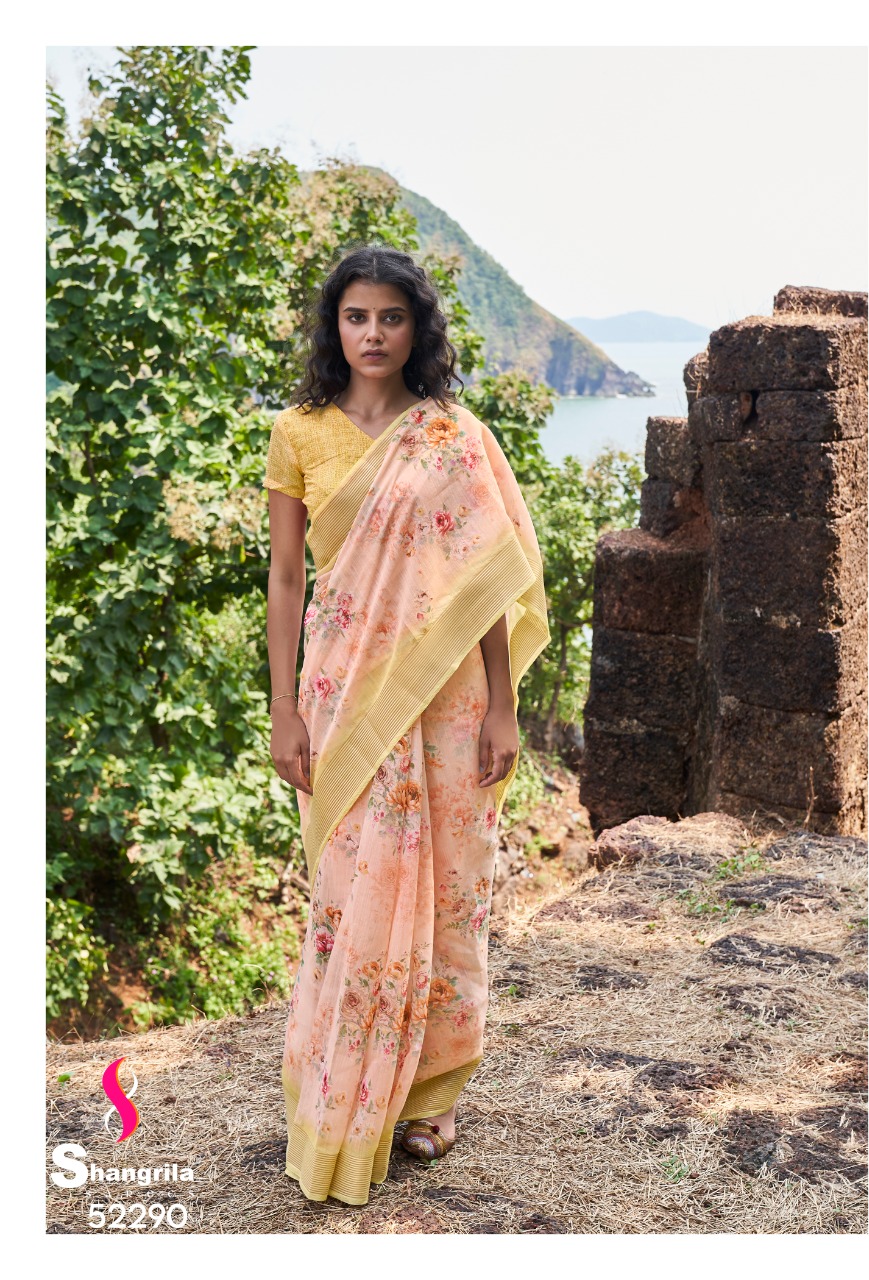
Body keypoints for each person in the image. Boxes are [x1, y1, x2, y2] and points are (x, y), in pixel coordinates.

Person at [263, 244, 550, 1206]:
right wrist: (283, 708)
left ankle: (432, 1093)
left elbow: (486, 580)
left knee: (450, 889)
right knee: (352, 888)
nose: (374, 333)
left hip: (450, 693)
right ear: (334, 327)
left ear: (417, 327)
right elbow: (288, 579)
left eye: (392, 316)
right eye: (357, 316)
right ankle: (340, 1086)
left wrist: (504, 704)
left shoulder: (451, 434)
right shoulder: (298, 432)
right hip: (343, 692)